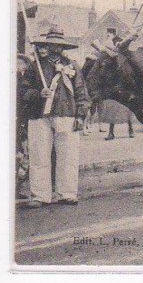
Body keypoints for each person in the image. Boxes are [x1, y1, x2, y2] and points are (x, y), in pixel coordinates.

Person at [20, 26, 90, 207]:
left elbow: (82, 93)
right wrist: (38, 94)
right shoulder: (35, 68)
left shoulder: (72, 67)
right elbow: (23, 91)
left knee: (68, 156)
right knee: (39, 156)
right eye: (52, 45)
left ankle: (66, 193)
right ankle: (40, 195)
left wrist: (81, 116)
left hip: (67, 115)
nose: (55, 48)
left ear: (63, 47)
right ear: (48, 45)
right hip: (40, 116)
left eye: (59, 45)